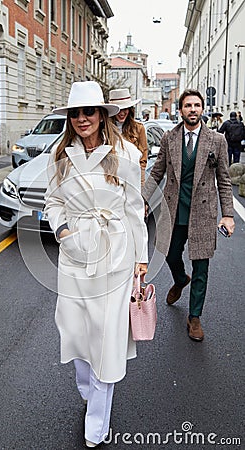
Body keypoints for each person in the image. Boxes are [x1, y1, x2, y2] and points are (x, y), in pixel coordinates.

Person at [44, 81, 148, 448]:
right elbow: (52, 203)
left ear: (103, 115)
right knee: (74, 332)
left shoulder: (127, 155)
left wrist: (141, 259)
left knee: (106, 337)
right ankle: (89, 391)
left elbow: (136, 209)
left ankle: (97, 422)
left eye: (89, 111)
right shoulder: (59, 157)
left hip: (114, 255)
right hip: (73, 258)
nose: (82, 119)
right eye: (76, 113)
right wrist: (63, 232)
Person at [143, 88, 235, 342]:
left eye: (196, 105)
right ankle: (180, 279)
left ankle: (194, 317)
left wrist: (228, 214)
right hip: (174, 211)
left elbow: (224, 181)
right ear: (180, 110)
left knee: (202, 267)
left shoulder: (217, 140)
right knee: (171, 256)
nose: (192, 109)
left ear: (202, 109)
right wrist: (141, 199)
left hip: (203, 213)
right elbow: (156, 172)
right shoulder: (169, 138)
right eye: (187, 105)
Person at [109, 88, 148, 186]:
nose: (122, 113)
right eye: (118, 109)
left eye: (125, 109)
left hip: (132, 177)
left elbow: (143, 156)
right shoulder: (104, 128)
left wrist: (140, 182)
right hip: (111, 178)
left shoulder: (138, 128)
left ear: (130, 110)